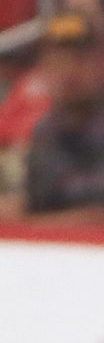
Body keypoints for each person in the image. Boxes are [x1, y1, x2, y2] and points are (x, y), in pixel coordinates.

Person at [21, 14, 104, 224]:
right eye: (57, 60)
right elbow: (30, 212)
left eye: (79, 58)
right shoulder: (45, 132)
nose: (68, 71)